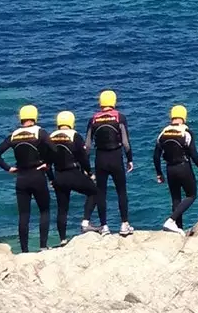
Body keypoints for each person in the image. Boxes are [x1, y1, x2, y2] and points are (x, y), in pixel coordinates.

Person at [0, 105, 53, 253]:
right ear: (35, 116)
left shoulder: (14, 135)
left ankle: (24, 251)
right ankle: (43, 246)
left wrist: (9, 168)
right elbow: (54, 149)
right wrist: (47, 164)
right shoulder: (40, 132)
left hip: (22, 178)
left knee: (24, 215)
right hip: (37, 176)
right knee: (44, 211)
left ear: (21, 117)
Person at [85, 89, 134, 235]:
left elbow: (87, 145)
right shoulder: (119, 117)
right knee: (121, 191)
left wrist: (86, 165)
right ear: (114, 101)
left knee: (101, 192)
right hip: (116, 156)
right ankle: (124, 224)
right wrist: (130, 159)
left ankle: (104, 226)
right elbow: (126, 142)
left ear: (100, 102)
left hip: (100, 157)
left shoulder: (93, 119)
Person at [153, 104, 198, 231]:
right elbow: (193, 153)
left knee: (176, 199)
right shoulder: (186, 132)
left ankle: (178, 228)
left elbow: (156, 156)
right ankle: (171, 220)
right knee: (191, 195)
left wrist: (159, 173)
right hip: (184, 167)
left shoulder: (163, 133)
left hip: (170, 169)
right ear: (184, 116)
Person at [48, 110, 96, 242]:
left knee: (62, 208)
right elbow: (83, 157)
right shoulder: (74, 135)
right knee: (94, 192)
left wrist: (51, 179)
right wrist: (89, 173)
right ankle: (85, 223)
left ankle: (62, 239)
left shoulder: (50, 137)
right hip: (73, 173)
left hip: (58, 175)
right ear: (71, 122)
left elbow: (46, 163)